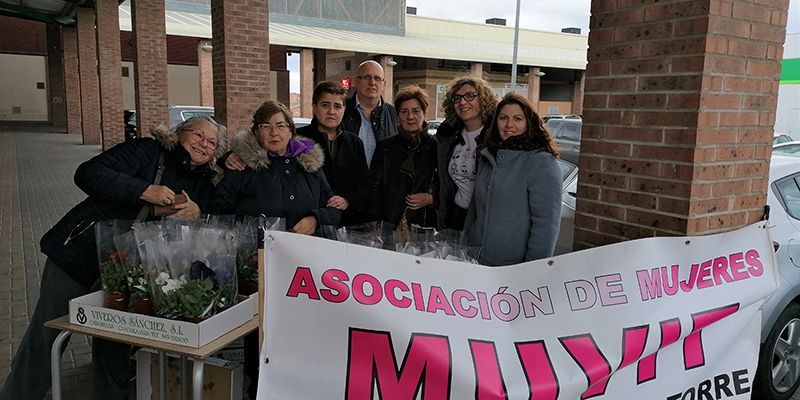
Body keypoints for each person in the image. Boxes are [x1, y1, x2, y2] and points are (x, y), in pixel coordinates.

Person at [0, 116, 224, 400]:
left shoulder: (204, 182)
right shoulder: (147, 151)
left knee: (114, 340)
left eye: (212, 143)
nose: (204, 144)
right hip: (80, 254)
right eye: (198, 135)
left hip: (128, 269)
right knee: (48, 332)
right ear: (180, 134)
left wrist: (197, 213)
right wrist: (143, 191)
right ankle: (18, 394)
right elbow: (88, 173)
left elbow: (213, 212)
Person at [207, 101, 341, 399]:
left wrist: (314, 218)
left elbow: (335, 209)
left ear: (291, 131)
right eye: (266, 126)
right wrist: (248, 236)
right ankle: (259, 389)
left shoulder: (311, 165)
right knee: (263, 337)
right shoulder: (244, 167)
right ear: (256, 132)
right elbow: (218, 214)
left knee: (301, 332)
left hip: (304, 268)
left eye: (281, 125)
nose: (274, 132)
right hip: (260, 266)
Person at [464, 92, 562, 266]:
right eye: (503, 118)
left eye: (518, 118)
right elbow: (474, 212)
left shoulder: (541, 162)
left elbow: (546, 226)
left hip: (513, 268)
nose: (509, 125)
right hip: (475, 261)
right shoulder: (487, 156)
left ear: (529, 122)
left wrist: (532, 270)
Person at [296, 81, 370, 225]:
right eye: (325, 105)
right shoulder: (298, 139)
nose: (331, 111)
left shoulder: (355, 143)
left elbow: (364, 185)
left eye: (337, 106)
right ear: (314, 107)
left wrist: (348, 200)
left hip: (345, 223)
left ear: (344, 109)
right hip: (307, 221)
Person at [368, 85, 438, 230]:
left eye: (416, 111)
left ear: (425, 114)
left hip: (426, 226)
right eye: (404, 111)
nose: (410, 116)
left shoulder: (437, 147)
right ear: (398, 116)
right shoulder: (385, 147)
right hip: (389, 226)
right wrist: (373, 225)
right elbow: (373, 189)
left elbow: (447, 187)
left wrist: (432, 199)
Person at [435, 76, 498, 230]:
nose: (463, 102)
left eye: (470, 96)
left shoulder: (495, 138)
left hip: (483, 219)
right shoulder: (448, 137)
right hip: (454, 217)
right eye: (457, 98)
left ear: (483, 99)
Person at [342, 60, 398, 165]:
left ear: (384, 84)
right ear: (356, 81)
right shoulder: (341, 110)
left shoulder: (394, 114)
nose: (372, 83)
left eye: (377, 78)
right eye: (367, 77)